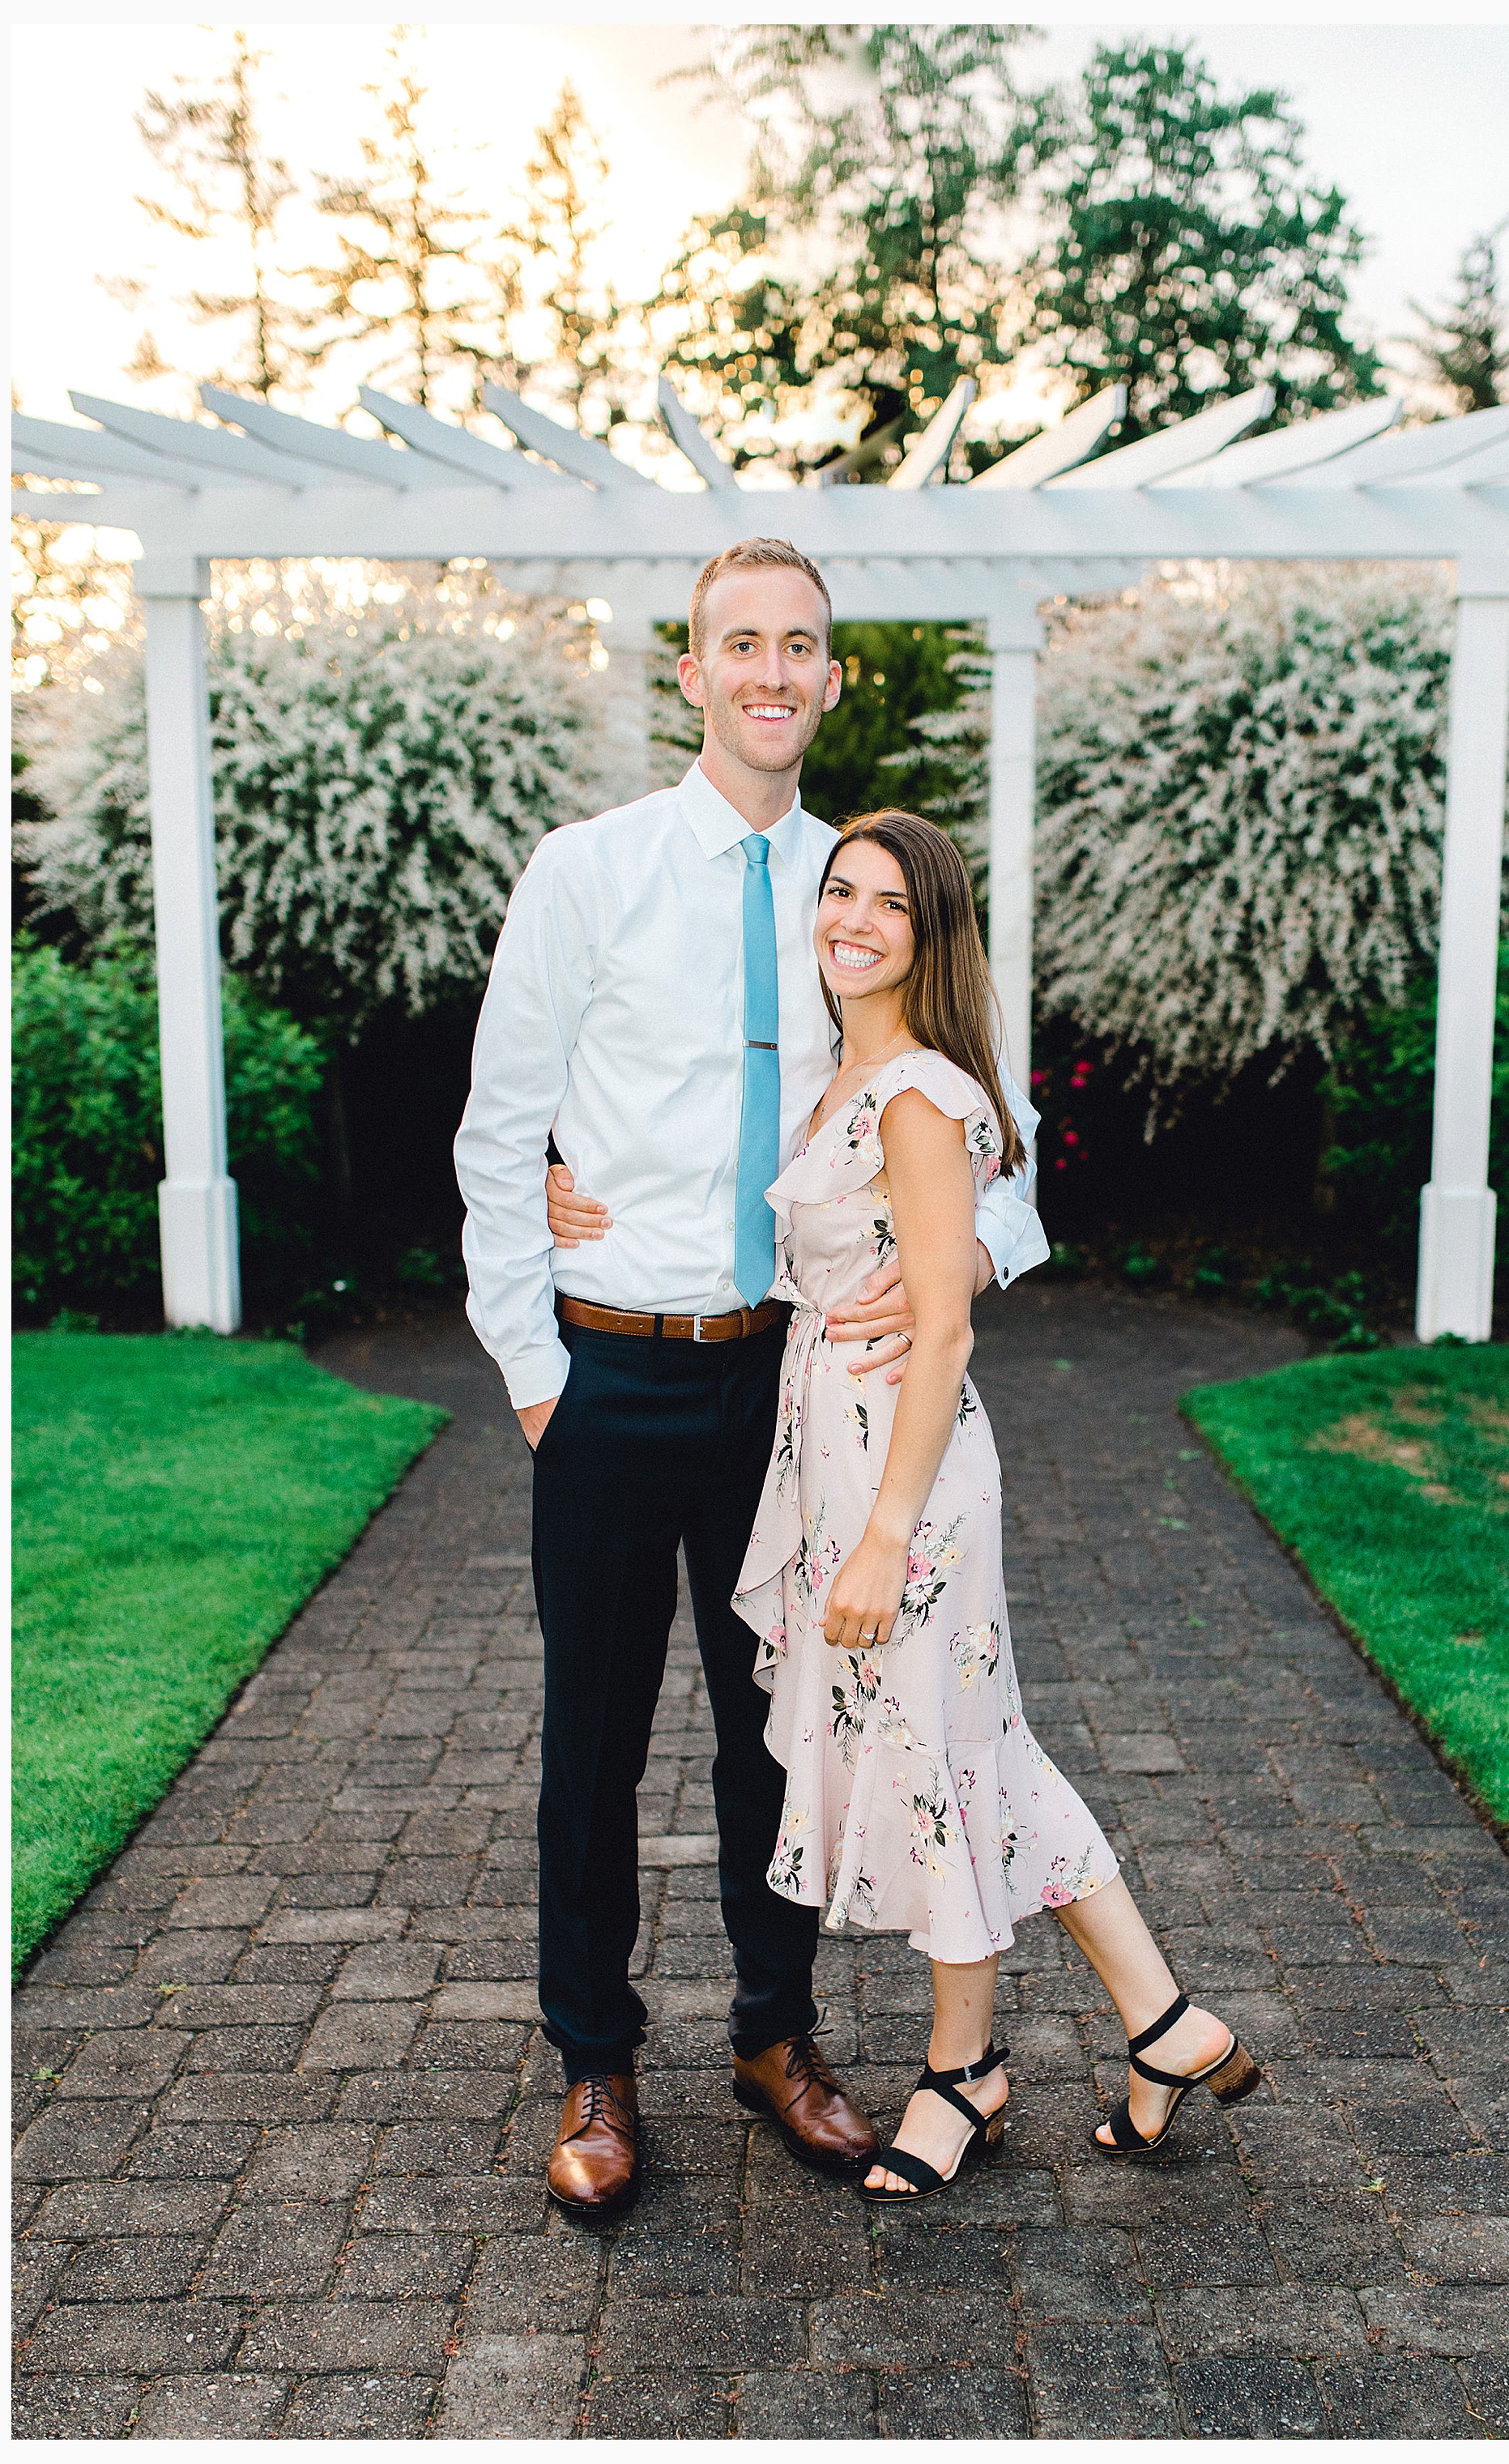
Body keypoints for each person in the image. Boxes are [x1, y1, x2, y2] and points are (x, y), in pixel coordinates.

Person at [453, 538, 1049, 2215]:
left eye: (801, 646)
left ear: (833, 677)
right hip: (605, 1375)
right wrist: (530, 1368)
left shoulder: (864, 894)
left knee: (776, 1735)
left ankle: (775, 2036)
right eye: (741, 644)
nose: (772, 671)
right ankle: (595, 2058)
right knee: (592, 1742)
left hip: (788, 1390)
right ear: (693, 670)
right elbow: (503, 1136)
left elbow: (988, 1144)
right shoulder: (590, 871)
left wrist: (967, 1262)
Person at [730, 810, 1262, 2198]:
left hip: (908, 1483)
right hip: (846, 1452)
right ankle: (1161, 2023)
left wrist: (885, 1532)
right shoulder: (851, 1076)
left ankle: (966, 2070)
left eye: (887, 902)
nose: (851, 915)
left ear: (931, 931)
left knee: (935, 1759)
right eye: (837, 889)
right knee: (977, 1750)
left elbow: (948, 1334)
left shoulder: (915, 1092)